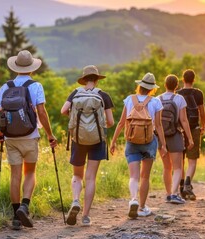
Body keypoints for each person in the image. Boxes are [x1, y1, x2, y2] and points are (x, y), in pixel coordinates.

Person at [0, 50, 58, 230]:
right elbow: (41, 112)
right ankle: (24, 206)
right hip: (30, 136)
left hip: (10, 137)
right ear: (32, 68)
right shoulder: (36, 85)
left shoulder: (5, 87)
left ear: (15, 67)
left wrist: (1, 132)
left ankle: (16, 217)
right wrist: (50, 134)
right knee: (29, 172)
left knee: (15, 174)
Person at [60, 65, 114, 226]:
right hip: (97, 140)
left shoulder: (75, 93)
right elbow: (110, 122)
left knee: (77, 175)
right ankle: (85, 216)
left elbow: (63, 110)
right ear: (97, 79)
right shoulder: (103, 95)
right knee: (90, 178)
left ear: (84, 80)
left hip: (78, 138)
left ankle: (75, 200)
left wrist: (77, 121)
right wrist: (97, 125)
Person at [110, 73, 167, 219]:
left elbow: (122, 123)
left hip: (132, 141)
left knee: (134, 176)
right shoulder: (155, 102)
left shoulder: (130, 99)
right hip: (149, 142)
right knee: (145, 177)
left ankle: (133, 199)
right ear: (152, 88)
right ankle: (141, 207)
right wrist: (164, 145)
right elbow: (159, 125)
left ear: (139, 86)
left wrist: (113, 141)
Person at [158, 74, 194, 204]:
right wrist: (190, 138)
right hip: (175, 135)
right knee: (178, 167)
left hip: (161, 137)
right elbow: (184, 120)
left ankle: (168, 194)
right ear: (177, 86)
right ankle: (174, 193)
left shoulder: (158, 99)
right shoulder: (179, 99)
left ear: (165, 85)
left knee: (166, 167)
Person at [177, 69, 205, 201]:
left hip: (179, 130)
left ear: (183, 79)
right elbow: (202, 112)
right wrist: (203, 126)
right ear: (193, 80)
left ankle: (182, 186)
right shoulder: (198, 93)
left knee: (181, 160)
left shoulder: (178, 94)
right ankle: (188, 184)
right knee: (192, 160)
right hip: (194, 128)